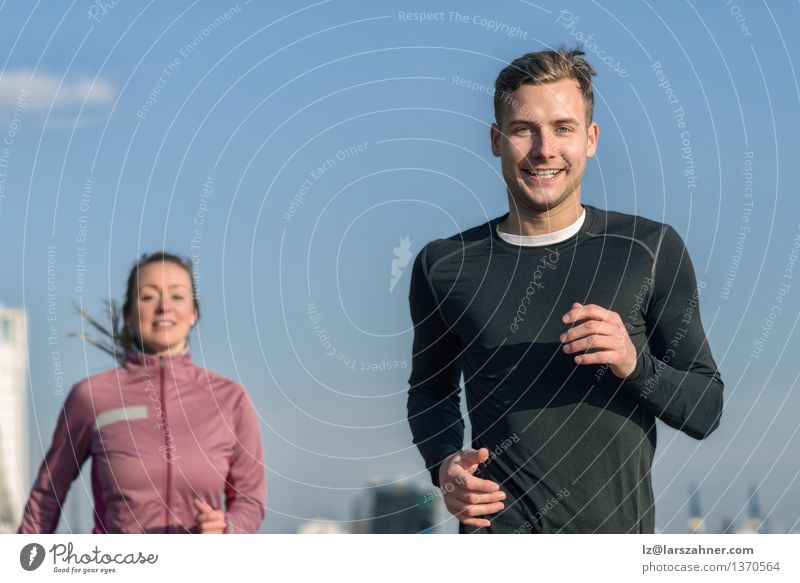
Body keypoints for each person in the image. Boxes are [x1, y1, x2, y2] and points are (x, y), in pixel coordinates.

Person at [407, 47, 723, 534]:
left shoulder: (649, 249)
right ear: (496, 140)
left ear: (590, 139)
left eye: (563, 127)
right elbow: (430, 391)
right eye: (523, 129)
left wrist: (633, 363)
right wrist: (445, 463)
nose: (544, 149)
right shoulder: (443, 264)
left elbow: (706, 409)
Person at [19, 252, 265, 533]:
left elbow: (249, 501)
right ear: (128, 314)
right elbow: (47, 495)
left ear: (195, 312)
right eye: (148, 296)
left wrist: (227, 526)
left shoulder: (231, 399)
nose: (164, 307)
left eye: (177, 296)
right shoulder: (91, 397)